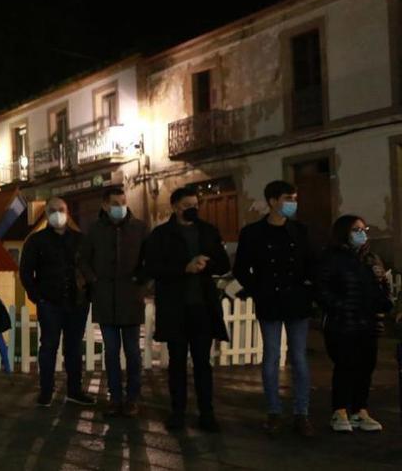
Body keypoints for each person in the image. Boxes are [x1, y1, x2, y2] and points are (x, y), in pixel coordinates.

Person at [142, 187, 230, 432]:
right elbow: (154, 268)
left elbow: (223, 263)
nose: (192, 209)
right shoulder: (161, 235)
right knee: (177, 362)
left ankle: (207, 412)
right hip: (175, 307)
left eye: (195, 205)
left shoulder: (208, 231)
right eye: (186, 206)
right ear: (175, 207)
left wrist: (208, 262)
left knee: (203, 362)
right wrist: (184, 268)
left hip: (202, 306)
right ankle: (177, 411)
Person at [232, 180, 316, 437]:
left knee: (299, 358)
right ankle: (274, 411)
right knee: (271, 356)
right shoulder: (253, 233)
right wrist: (259, 288)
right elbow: (241, 269)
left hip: (297, 301)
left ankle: (302, 413)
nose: (292, 203)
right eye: (288, 198)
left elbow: (312, 262)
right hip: (270, 300)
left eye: (294, 198)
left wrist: (308, 286)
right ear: (272, 201)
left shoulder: (300, 230)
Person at [315, 215, 392, 433]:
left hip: (368, 323)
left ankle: (360, 410)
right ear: (344, 233)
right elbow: (322, 289)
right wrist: (341, 305)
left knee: (366, 367)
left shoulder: (371, 258)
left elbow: (383, 291)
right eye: (355, 230)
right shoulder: (331, 257)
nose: (361, 233)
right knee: (345, 366)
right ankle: (339, 411)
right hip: (341, 323)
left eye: (363, 229)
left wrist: (382, 293)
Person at [78, 186, 148, 418]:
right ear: (105, 206)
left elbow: (149, 259)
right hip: (105, 298)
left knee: (133, 353)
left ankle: (133, 398)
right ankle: (115, 397)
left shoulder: (139, 228)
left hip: (131, 297)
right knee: (111, 352)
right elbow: (83, 260)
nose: (120, 207)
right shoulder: (95, 231)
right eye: (115, 203)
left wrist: (141, 279)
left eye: (123, 202)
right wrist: (94, 280)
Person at [20, 197, 94, 407]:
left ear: (68, 212)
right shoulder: (36, 241)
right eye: (52, 210)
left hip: (77, 302)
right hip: (50, 303)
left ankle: (74, 390)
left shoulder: (81, 240)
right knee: (49, 347)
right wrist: (38, 297)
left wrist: (88, 294)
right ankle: (46, 390)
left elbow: (89, 268)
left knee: (74, 348)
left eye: (61, 209)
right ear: (46, 213)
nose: (57, 213)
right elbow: (26, 272)